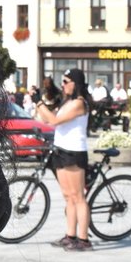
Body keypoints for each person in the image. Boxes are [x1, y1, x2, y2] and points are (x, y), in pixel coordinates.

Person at [33, 68, 94, 251]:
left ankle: (83, 240)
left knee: (78, 197)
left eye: (66, 81)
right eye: (63, 81)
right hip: (61, 150)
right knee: (68, 196)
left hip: (74, 152)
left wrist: (39, 102)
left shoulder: (79, 104)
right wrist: (40, 101)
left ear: (75, 83)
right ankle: (70, 235)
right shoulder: (66, 103)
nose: (63, 85)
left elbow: (55, 120)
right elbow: (49, 120)